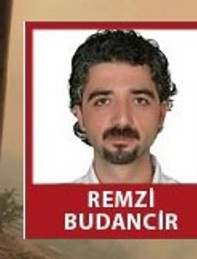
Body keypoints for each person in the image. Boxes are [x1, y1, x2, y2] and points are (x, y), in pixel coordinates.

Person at [68, 30, 178, 184]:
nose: (122, 120)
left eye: (139, 100)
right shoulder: (52, 207)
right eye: (103, 101)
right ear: (80, 116)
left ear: (161, 114)